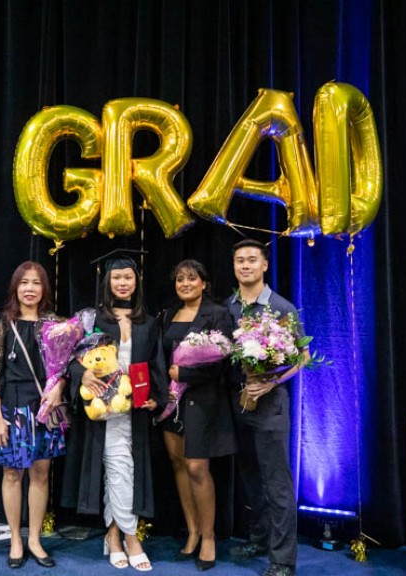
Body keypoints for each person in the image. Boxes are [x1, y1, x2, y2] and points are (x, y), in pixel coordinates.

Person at [61, 254, 168, 572]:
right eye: (117, 278)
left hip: (132, 409)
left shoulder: (147, 322)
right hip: (100, 407)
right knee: (118, 468)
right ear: (107, 282)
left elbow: (156, 364)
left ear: (137, 282)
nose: (123, 283)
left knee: (120, 470)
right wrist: (83, 375)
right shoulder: (93, 320)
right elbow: (68, 360)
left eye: (128, 278)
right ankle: (131, 537)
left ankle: (113, 535)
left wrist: (156, 398)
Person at [225, 239, 310, 576]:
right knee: (250, 477)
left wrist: (272, 382)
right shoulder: (228, 306)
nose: (245, 265)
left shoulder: (281, 307)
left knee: (277, 483)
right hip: (236, 404)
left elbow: (302, 356)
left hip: (270, 406)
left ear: (264, 266)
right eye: (239, 260)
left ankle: (283, 559)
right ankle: (259, 538)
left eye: (251, 260)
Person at [0, 261, 66, 569]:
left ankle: (35, 538)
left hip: (45, 408)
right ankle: (16, 540)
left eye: (36, 283)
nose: (30, 289)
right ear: (15, 287)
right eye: (24, 283)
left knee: (41, 473)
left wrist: (59, 388)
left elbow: (66, 367)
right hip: (12, 408)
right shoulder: (2, 323)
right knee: (11, 473)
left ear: (44, 287)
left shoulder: (55, 323)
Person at [158, 260, 236, 571]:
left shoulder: (217, 313)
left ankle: (208, 537)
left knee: (196, 468)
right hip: (170, 402)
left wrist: (186, 371)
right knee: (178, 465)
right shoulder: (168, 314)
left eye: (192, 278)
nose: (185, 284)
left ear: (204, 283)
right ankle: (191, 531)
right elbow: (159, 357)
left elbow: (224, 363)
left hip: (202, 402)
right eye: (180, 279)